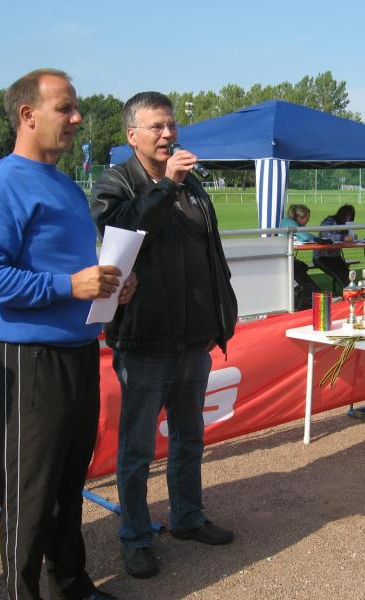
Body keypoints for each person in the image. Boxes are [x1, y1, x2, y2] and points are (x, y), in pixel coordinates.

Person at [0, 68, 135, 600]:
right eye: (65, 108)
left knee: (68, 482)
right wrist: (70, 285)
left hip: (79, 352)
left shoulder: (63, 184)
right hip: (29, 360)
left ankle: (71, 583)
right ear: (27, 115)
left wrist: (111, 286)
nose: (77, 118)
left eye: (75, 107)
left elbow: (73, 269)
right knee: (29, 491)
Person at [90, 91, 238, 580]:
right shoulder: (116, 184)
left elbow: (210, 253)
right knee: (136, 450)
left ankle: (188, 517)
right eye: (156, 126)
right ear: (132, 135)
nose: (168, 134)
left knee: (189, 437)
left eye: (171, 125)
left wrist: (221, 312)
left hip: (192, 339)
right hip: (144, 341)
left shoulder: (192, 185)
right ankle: (134, 537)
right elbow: (122, 234)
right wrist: (165, 186)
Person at [279, 204, 320, 310]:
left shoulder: (289, 222)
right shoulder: (288, 222)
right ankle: (312, 299)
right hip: (282, 261)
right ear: (299, 217)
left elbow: (304, 236)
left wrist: (316, 238)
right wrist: (317, 239)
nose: (307, 222)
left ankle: (316, 297)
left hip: (287, 258)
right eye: (307, 219)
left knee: (302, 271)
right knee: (299, 279)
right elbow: (305, 237)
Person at [313, 204, 358, 289]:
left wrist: (353, 236)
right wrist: (343, 238)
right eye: (347, 216)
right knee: (339, 275)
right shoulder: (329, 221)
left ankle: (354, 291)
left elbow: (350, 236)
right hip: (321, 256)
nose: (348, 219)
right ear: (341, 214)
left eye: (350, 217)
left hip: (335, 256)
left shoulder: (346, 225)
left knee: (348, 274)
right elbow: (325, 234)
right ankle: (350, 292)